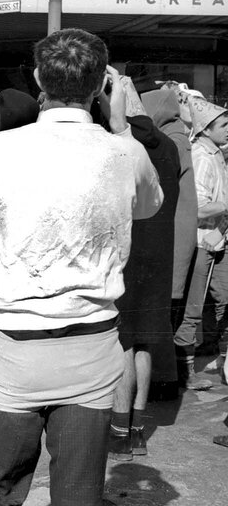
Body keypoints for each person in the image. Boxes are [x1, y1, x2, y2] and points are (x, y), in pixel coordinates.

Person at [0, 30, 163, 506]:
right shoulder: (123, 152)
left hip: (18, 347)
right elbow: (149, 205)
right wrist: (121, 125)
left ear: (37, 79)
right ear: (101, 86)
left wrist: (3, 252)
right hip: (93, 343)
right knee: (78, 489)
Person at [106, 84, 182, 461]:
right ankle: (137, 429)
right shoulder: (168, 147)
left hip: (128, 254)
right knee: (146, 342)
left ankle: (118, 431)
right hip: (159, 259)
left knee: (123, 342)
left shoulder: (120, 143)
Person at [142, 88, 199, 397]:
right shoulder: (178, 136)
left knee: (159, 313)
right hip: (177, 233)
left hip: (172, 235)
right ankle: (165, 378)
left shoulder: (171, 142)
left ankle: (163, 380)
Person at [173, 96, 228, 390]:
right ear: (206, 129)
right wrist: (226, 206)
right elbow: (197, 207)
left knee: (224, 301)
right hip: (201, 241)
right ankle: (186, 373)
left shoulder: (217, 153)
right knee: (192, 308)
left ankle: (221, 361)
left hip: (219, 239)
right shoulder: (202, 157)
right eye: (223, 124)